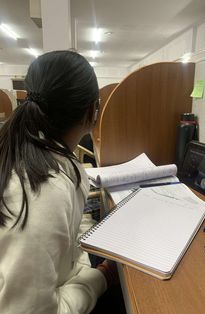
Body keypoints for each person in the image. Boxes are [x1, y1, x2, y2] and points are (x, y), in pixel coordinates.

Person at [0, 50, 116, 313]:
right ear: (92, 110)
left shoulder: (31, 150)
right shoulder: (42, 192)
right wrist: (99, 279)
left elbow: (65, 229)